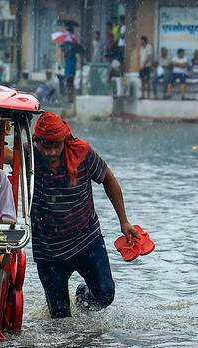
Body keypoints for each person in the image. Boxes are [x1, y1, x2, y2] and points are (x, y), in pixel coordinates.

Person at [30, 112, 139, 317]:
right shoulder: (28, 157)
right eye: (47, 146)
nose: (52, 152)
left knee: (105, 294)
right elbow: (1, 154)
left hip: (86, 240)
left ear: (65, 141)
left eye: (57, 146)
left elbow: (108, 179)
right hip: (49, 251)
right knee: (60, 321)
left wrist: (124, 222)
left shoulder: (82, 153)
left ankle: (82, 295)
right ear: (37, 141)